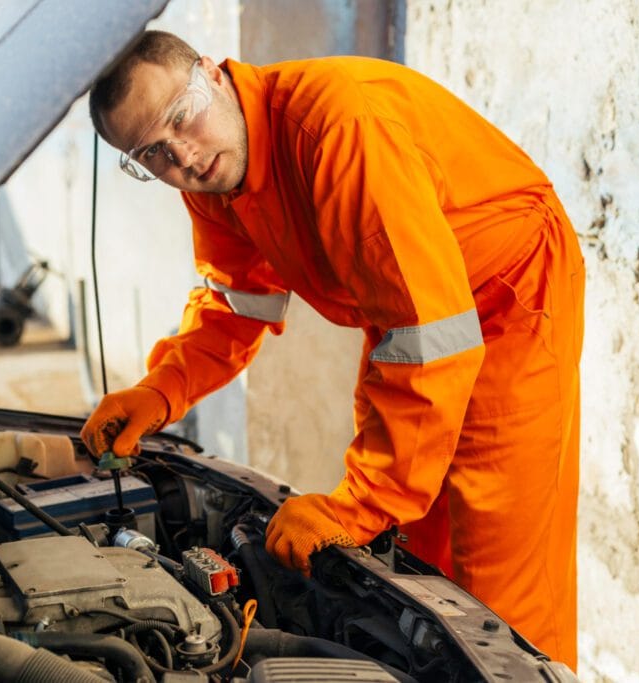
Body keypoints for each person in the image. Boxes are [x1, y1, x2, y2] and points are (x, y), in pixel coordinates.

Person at [81, 30, 584, 669]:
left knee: (499, 575)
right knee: (421, 564)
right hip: (413, 312)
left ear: (211, 72)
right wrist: (161, 389)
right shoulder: (211, 177)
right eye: (151, 151)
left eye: (181, 118)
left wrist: (356, 505)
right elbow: (238, 304)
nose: (180, 154)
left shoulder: (336, 129)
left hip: (506, 295)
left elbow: (433, 337)